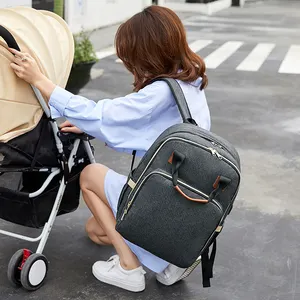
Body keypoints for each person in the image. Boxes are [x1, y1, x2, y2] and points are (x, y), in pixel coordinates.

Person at [9, 5, 210, 293]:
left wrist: (39, 80)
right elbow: (139, 126)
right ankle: (170, 258)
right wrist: (90, 123)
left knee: (90, 176)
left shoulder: (159, 93)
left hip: (162, 199)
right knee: (96, 230)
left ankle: (130, 268)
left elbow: (105, 115)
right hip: (184, 200)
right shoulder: (189, 82)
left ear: (147, 52)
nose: (126, 61)